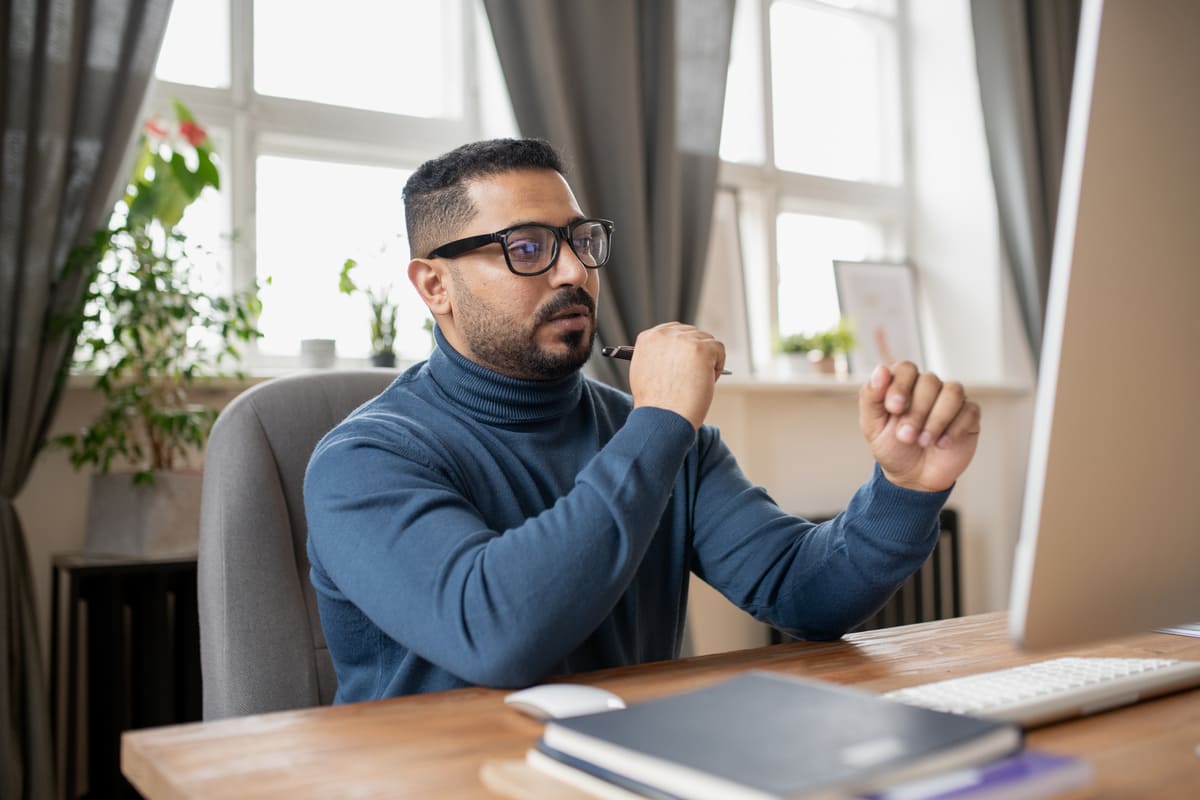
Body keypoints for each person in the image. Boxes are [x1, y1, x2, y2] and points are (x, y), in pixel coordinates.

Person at [303, 138, 980, 703]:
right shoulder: (363, 461)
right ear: (434, 286)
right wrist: (658, 422)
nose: (574, 270)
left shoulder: (662, 439)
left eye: (579, 240)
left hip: (623, 771)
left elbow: (803, 593)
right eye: (528, 248)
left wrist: (905, 487)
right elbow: (495, 634)